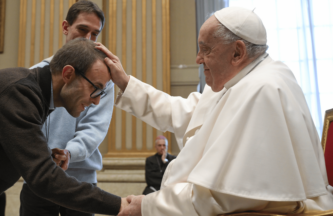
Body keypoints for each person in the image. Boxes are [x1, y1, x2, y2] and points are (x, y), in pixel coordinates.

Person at [97, 6, 333, 216]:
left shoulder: (263, 90)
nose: (198, 59)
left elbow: (227, 196)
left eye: (206, 50)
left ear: (237, 53)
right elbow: (178, 112)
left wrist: (148, 207)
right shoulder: (237, 80)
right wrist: (125, 83)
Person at [0, 38, 129, 216]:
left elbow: (5, 145)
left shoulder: (35, 94)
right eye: (95, 88)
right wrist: (119, 205)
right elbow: (44, 178)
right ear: (68, 74)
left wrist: (43, 154)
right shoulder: (19, 93)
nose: (97, 101)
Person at [19, 1, 115, 216]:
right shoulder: (35, 73)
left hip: (81, 182)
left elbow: (94, 129)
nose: (88, 39)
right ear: (66, 27)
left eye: (94, 34)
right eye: (82, 30)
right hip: (39, 180)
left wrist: (69, 153)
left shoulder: (104, 80)